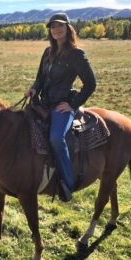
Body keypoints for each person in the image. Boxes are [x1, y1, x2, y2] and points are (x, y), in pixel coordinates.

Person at [25, 13, 96, 201]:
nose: (56, 29)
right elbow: (40, 78)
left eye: (60, 26)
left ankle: (67, 182)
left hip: (62, 106)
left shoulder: (76, 54)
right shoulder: (47, 52)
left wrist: (72, 105)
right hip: (43, 103)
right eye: (53, 26)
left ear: (67, 29)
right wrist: (33, 89)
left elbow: (90, 83)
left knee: (56, 138)